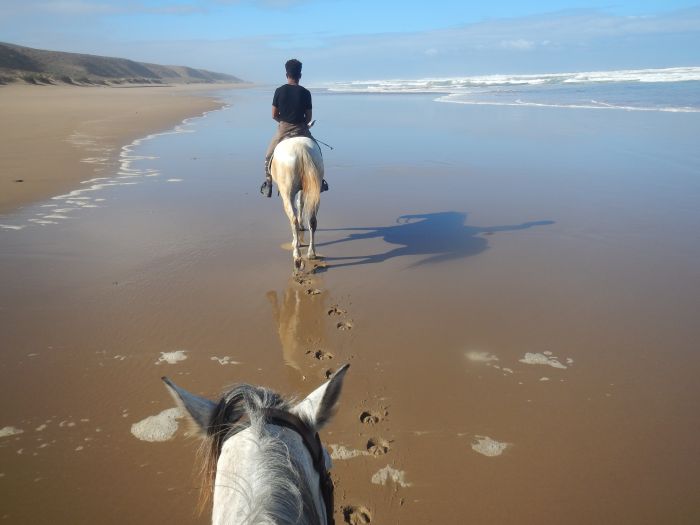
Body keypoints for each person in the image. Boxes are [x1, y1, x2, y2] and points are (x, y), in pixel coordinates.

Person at [260, 58, 328, 197]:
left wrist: (283, 122)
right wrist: (302, 123)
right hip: (302, 128)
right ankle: (320, 181)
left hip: (283, 129)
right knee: (317, 151)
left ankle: (268, 184)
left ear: (287, 74)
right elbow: (308, 117)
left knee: (268, 155)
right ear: (300, 75)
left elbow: (274, 114)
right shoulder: (306, 92)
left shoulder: (279, 91)